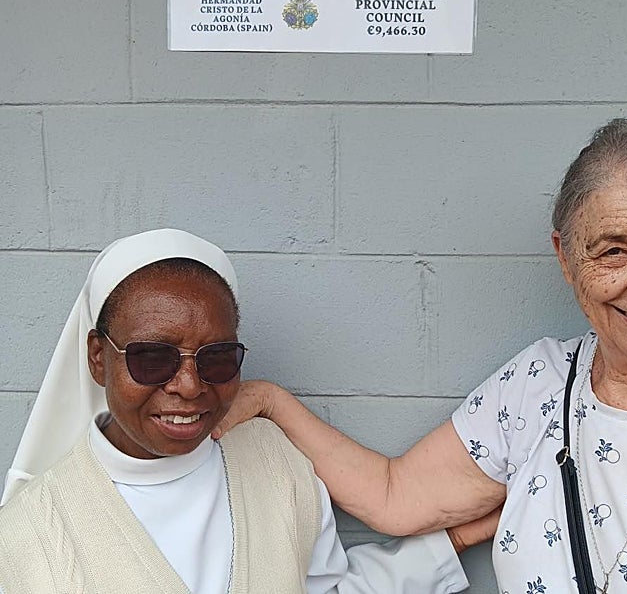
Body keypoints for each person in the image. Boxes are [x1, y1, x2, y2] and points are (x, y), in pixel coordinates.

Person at [215, 114, 627, 592]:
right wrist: (270, 401)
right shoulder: (538, 387)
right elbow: (394, 496)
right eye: (613, 250)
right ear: (566, 258)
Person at [0, 228, 481, 593]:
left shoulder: (277, 464)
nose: (189, 386)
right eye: (152, 358)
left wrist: (448, 545)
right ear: (98, 357)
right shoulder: (29, 533)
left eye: (216, 358)